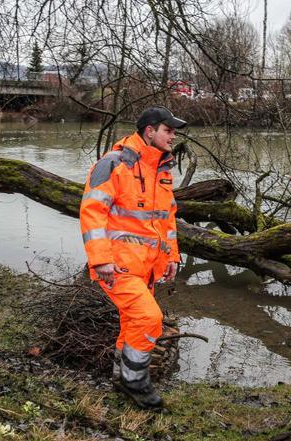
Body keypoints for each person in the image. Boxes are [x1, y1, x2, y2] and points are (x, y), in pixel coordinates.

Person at [79, 106, 184, 409]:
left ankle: (119, 377)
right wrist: (100, 260)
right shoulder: (113, 164)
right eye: (169, 130)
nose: (173, 136)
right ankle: (135, 383)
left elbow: (166, 221)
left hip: (147, 266)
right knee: (149, 319)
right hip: (117, 264)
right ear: (149, 131)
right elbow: (91, 212)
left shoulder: (160, 170)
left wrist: (171, 258)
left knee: (131, 322)